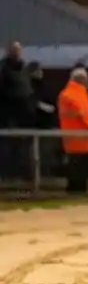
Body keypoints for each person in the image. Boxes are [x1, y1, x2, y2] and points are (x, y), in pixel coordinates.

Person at [57, 67, 88, 194]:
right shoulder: (78, 94)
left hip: (73, 140)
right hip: (84, 141)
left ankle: (74, 193)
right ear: (82, 80)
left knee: (76, 172)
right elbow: (87, 117)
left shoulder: (67, 94)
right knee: (80, 174)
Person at [0, 42, 36, 181]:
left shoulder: (23, 69)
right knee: (7, 146)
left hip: (23, 115)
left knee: (22, 146)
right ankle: (7, 175)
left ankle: (22, 174)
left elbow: (27, 91)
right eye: (14, 50)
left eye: (18, 50)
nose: (17, 53)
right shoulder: (4, 69)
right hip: (7, 116)